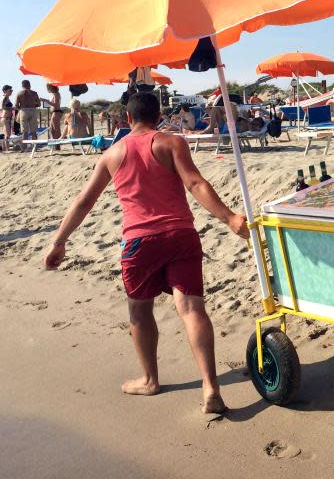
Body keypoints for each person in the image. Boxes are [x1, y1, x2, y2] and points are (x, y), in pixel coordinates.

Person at [44, 92, 248, 414]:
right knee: (192, 308)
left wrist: (59, 241)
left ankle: (150, 379)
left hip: (140, 243)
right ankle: (210, 387)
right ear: (158, 116)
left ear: (127, 119)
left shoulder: (111, 154)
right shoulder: (171, 143)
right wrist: (230, 218)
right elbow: (195, 184)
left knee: (140, 313)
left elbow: (84, 201)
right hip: (180, 235)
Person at [15, 79, 41, 147]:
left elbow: (16, 105)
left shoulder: (19, 93)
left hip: (23, 111)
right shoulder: (34, 93)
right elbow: (39, 104)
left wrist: (21, 107)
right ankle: (34, 146)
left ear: (22, 85)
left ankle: (24, 147)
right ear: (29, 85)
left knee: (24, 131)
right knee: (33, 131)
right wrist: (33, 105)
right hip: (32, 110)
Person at [2, 85, 14, 152]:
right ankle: (7, 149)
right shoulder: (4, 98)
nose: (11, 92)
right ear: (5, 91)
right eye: (10, 90)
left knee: (7, 134)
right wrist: (13, 108)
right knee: (7, 134)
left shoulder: (7, 98)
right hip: (6, 117)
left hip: (7, 118)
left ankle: (5, 149)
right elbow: (3, 107)